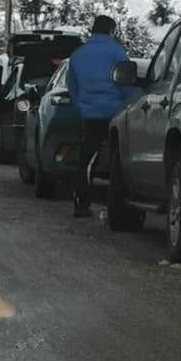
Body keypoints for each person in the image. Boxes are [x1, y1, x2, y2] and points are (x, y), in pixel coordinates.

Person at [67, 15, 132, 218]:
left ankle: (81, 203)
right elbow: (126, 81)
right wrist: (126, 103)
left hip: (90, 113)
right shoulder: (117, 52)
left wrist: (81, 104)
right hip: (115, 112)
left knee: (87, 158)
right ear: (111, 30)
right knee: (117, 161)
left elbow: (72, 85)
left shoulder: (78, 54)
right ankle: (116, 206)